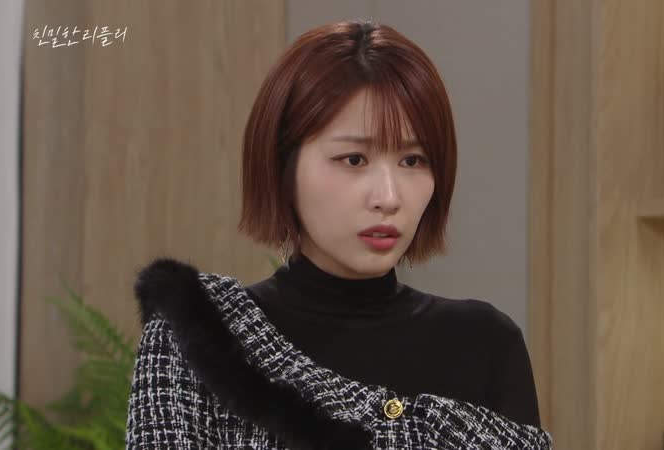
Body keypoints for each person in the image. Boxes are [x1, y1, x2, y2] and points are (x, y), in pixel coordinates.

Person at [125, 18, 552, 450]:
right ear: (282, 164)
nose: (388, 198)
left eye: (413, 161)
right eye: (353, 160)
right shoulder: (198, 333)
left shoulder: (486, 343)